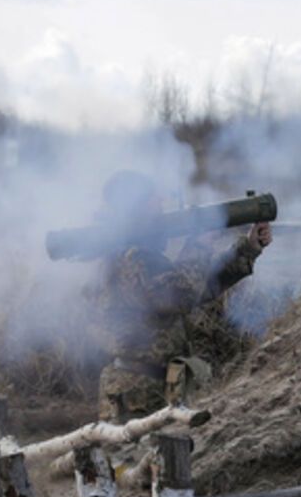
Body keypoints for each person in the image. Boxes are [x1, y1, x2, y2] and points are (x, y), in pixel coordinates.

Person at [88, 170, 272, 421]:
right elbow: (180, 295)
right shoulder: (131, 258)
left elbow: (197, 289)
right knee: (133, 459)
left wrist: (247, 249)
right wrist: (200, 244)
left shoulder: (138, 254)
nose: (162, 211)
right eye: (155, 205)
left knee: (163, 457)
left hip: (152, 384)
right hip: (136, 391)